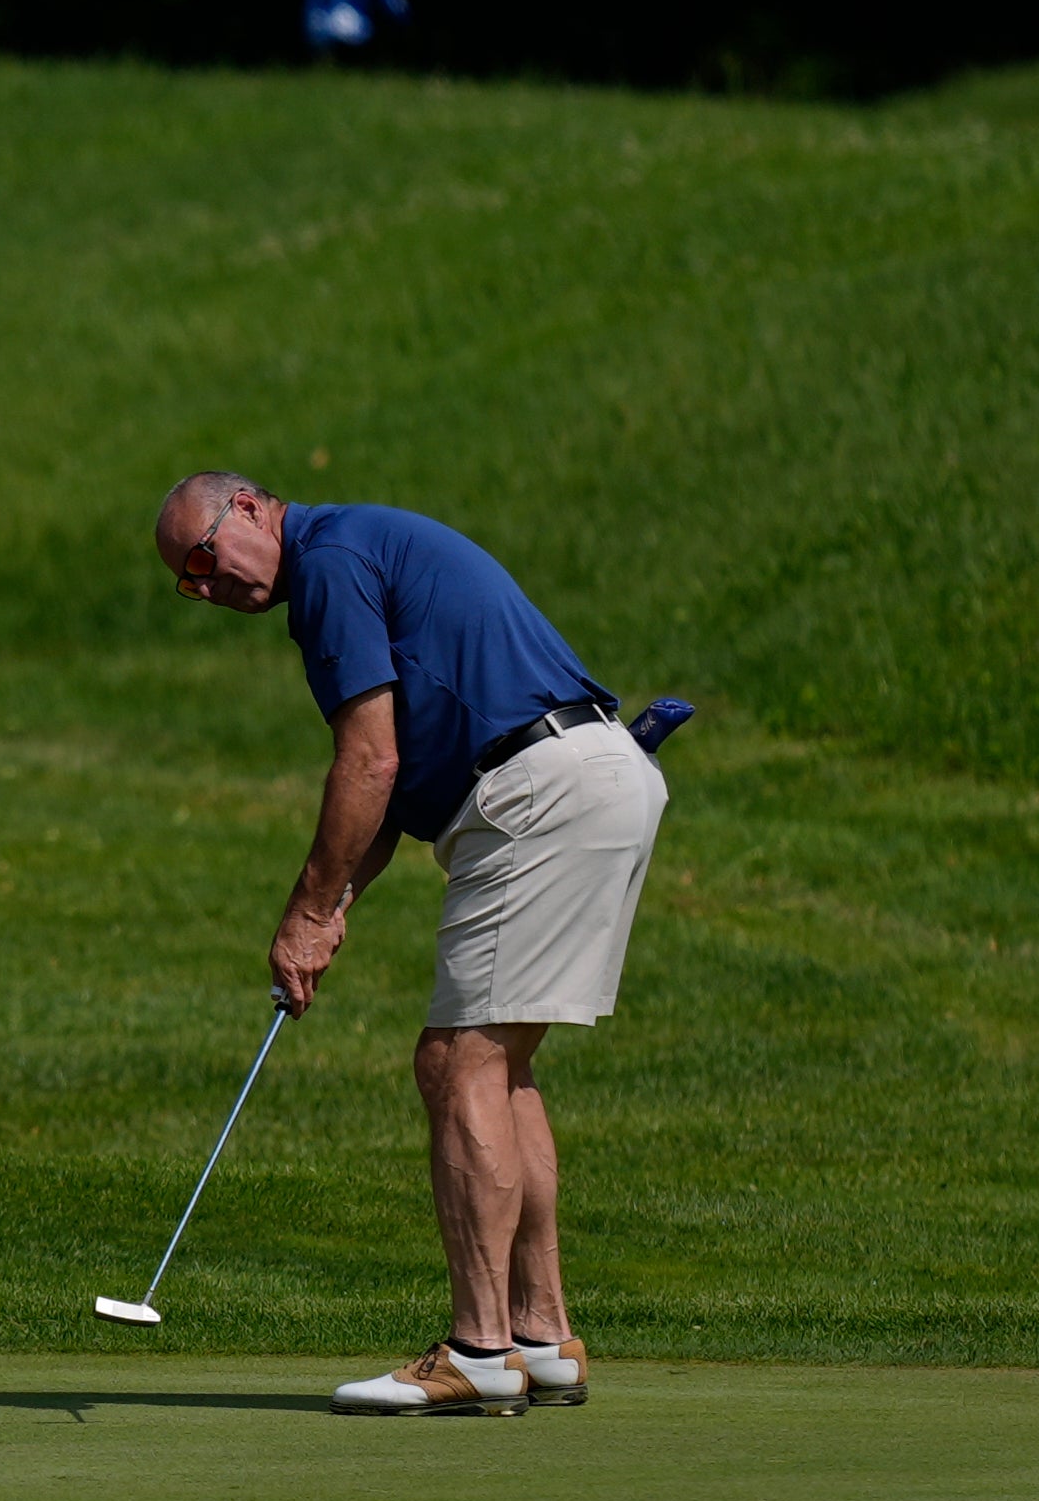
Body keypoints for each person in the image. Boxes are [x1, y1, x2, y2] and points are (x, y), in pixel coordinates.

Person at [148, 471, 664, 1417]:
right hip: (594, 776)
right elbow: (392, 783)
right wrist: (336, 899)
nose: (207, 586)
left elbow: (369, 759)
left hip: (536, 791)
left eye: (206, 557)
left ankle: (479, 1350)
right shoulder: (354, 548)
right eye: (189, 582)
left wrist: (305, 912)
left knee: (453, 1062)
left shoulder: (327, 561)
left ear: (250, 508)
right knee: (497, 1066)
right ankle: (542, 1337)